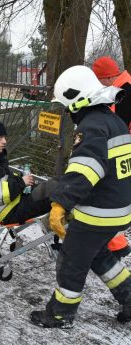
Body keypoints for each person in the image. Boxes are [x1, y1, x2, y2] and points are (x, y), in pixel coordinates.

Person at [31, 65, 131, 329]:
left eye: (67, 106)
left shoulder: (91, 128)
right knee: (99, 255)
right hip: (119, 208)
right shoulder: (115, 121)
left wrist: (60, 203)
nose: (67, 112)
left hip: (98, 213)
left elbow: (84, 172)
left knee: (71, 262)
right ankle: (130, 298)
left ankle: (60, 314)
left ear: (77, 101)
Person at [0, 120, 57, 227]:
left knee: (55, 185)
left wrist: (22, 180)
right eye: (0, 138)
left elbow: (5, 179)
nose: (4, 141)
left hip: (16, 201)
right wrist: (21, 182)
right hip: (10, 211)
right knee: (58, 194)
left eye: (5, 137)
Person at [92, 56, 131, 259]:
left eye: (99, 80)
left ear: (107, 78)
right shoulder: (125, 85)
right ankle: (116, 243)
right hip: (124, 152)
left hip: (122, 153)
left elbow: (117, 129)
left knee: (112, 198)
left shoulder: (121, 93)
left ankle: (116, 246)